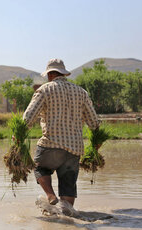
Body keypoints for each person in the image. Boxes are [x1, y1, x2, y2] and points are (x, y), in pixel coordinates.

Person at [23, 59, 100, 207]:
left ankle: (50, 195)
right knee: (68, 185)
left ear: (50, 74)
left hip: (50, 144)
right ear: (63, 74)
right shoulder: (81, 92)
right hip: (74, 149)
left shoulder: (44, 90)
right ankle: (68, 212)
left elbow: (28, 117)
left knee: (40, 168)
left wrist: (18, 136)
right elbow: (94, 123)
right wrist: (97, 142)